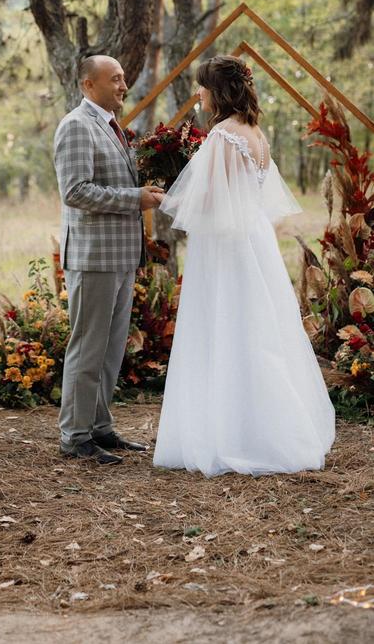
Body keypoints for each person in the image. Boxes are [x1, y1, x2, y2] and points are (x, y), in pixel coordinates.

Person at [153, 55, 335, 477]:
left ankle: (231, 435)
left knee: (223, 326)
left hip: (224, 246)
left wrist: (168, 198)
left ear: (217, 92)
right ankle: (266, 426)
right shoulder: (256, 134)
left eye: (202, 87)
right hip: (253, 239)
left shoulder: (221, 135)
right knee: (257, 327)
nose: (198, 94)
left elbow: (211, 202)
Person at [53, 55, 163, 464]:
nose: (122, 85)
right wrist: (135, 198)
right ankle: (74, 436)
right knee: (87, 348)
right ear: (88, 84)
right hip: (93, 256)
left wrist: (144, 189)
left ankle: (99, 427)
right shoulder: (77, 126)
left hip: (120, 256)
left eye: (123, 77)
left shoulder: (115, 127)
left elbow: (114, 183)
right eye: (114, 79)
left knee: (111, 349)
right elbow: (76, 190)